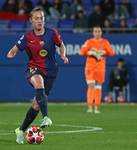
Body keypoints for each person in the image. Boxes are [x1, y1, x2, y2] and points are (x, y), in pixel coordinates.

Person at [7, 7, 69, 144]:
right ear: (31, 20)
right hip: (34, 68)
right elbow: (15, 47)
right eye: (37, 18)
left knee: (36, 105)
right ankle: (46, 116)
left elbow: (61, 45)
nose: (39, 21)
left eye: (41, 18)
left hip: (51, 71)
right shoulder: (28, 37)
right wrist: (12, 53)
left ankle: (21, 130)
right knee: (39, 84)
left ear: (44, 20)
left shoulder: (53, 33)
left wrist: (63, 55)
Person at [80, 26, 114, 113]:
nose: (97, 33)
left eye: (99, 31)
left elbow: (111, 52)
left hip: (101, 68)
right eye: (96, 31)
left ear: (101, 32)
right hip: (90, 67)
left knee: (98, 87)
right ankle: (90, 107)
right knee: (91, 85)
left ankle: (97, 108)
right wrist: (90, 52)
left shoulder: (105, 42)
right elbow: (82, 52)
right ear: (93, 32)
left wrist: (104, 52)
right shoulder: (89, 41)